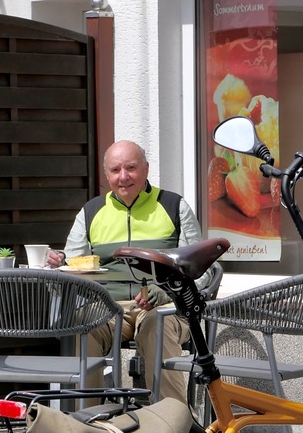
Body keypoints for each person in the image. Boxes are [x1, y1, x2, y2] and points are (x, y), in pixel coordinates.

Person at [47, 140, 204, 403]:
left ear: (146, 169)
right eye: (115, 170)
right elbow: (71, 269)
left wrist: (165, 291)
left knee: (157, 325)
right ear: (106, 175)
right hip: (108, 308)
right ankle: (88, 423)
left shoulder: (174, 206)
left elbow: (200, 268)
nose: (123, 177)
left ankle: (172, 424)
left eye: (131, 168)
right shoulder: (92, 212)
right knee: (82, 325)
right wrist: (59, 263)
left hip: (163, 310)